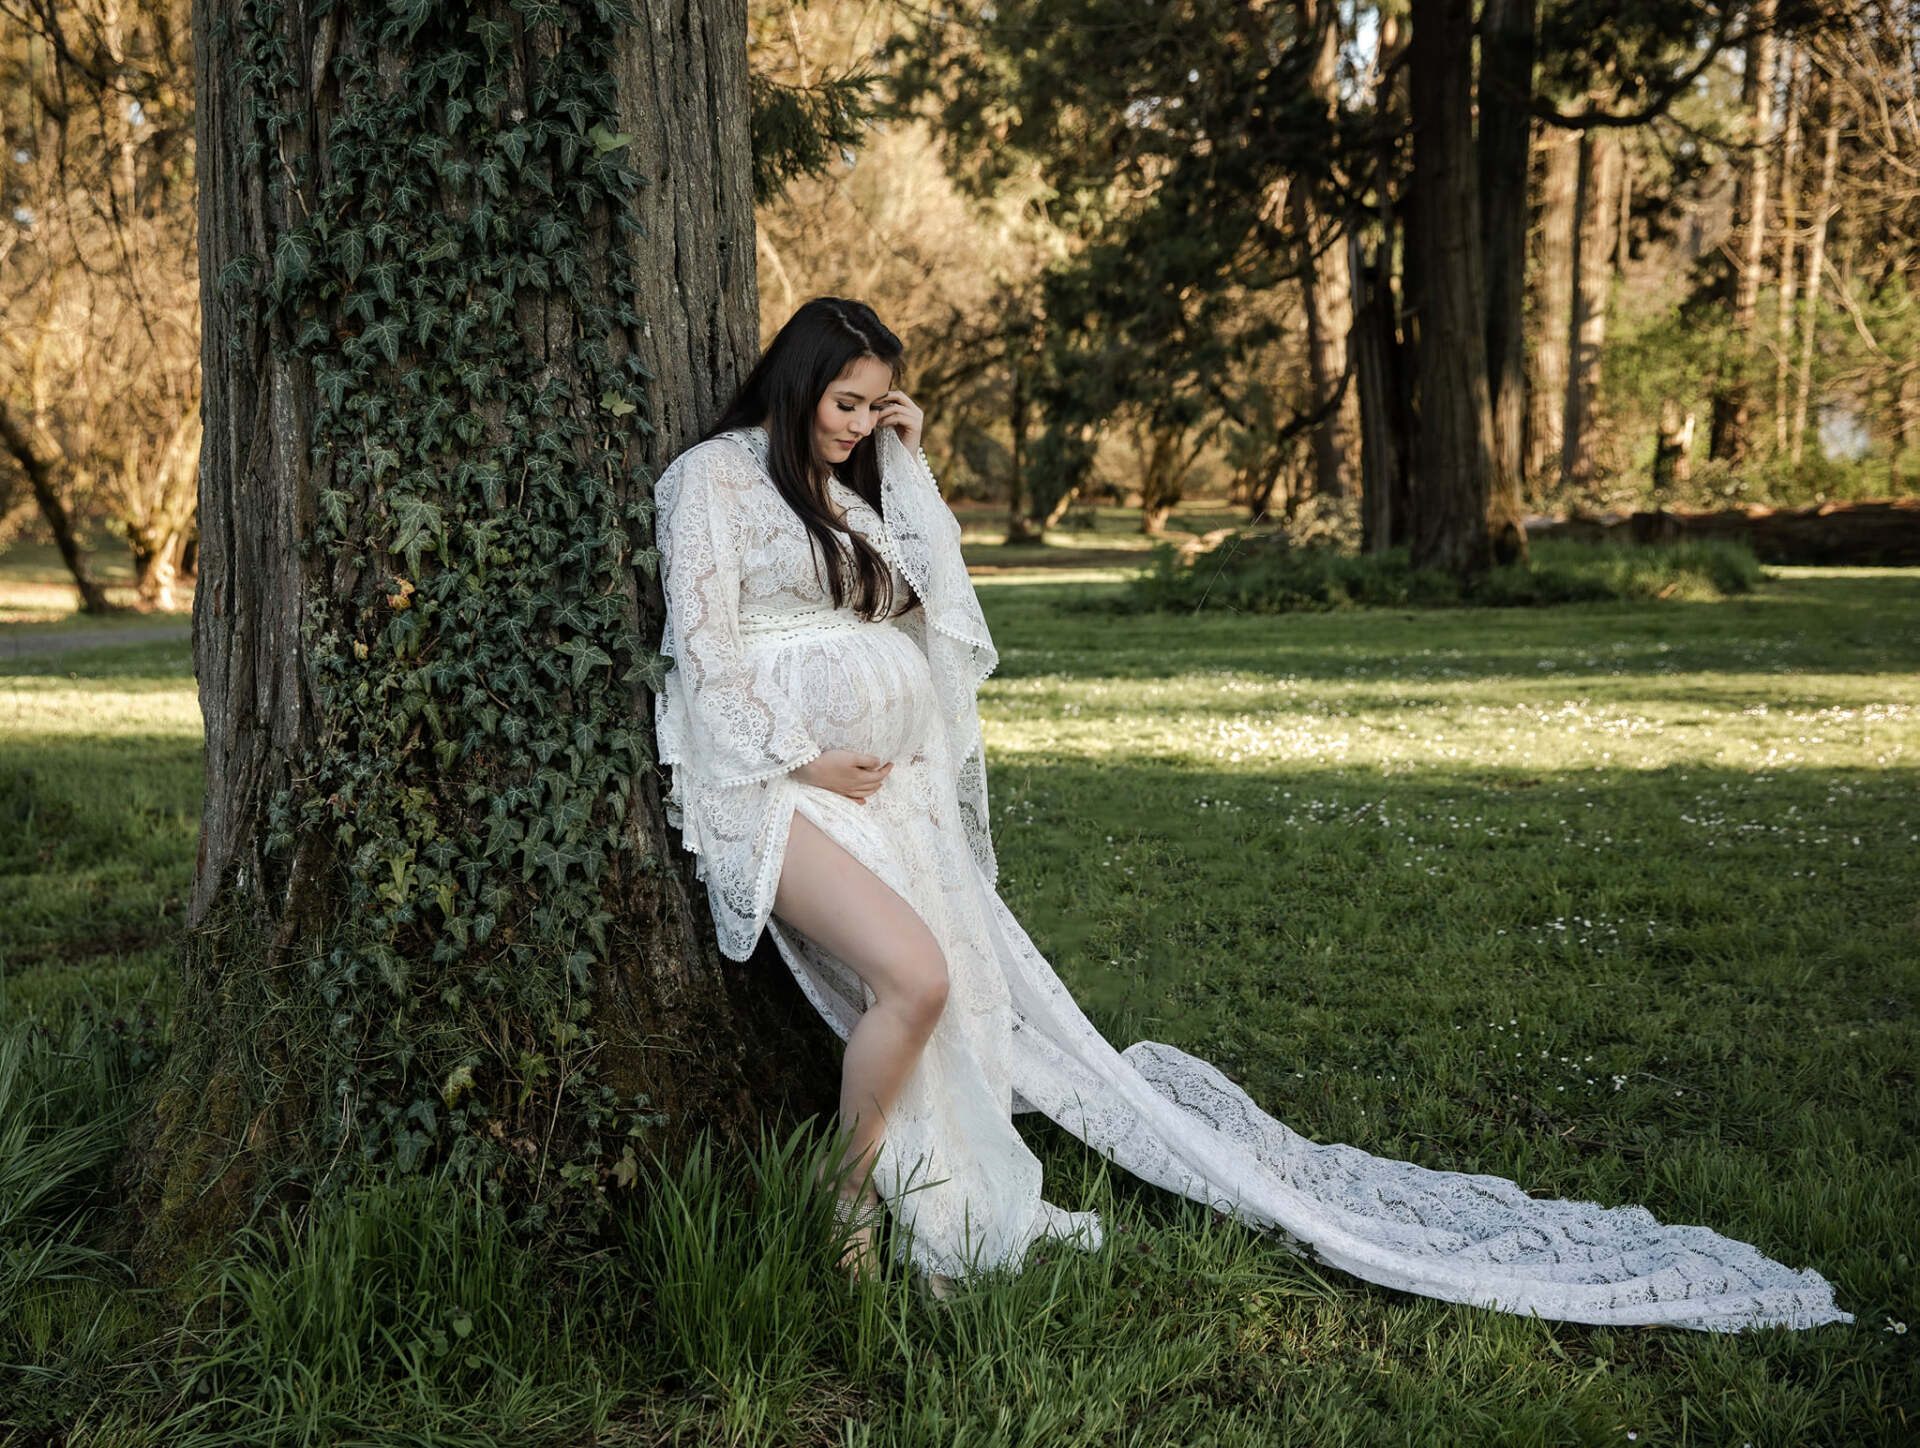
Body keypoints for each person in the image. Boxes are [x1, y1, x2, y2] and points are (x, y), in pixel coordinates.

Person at [651, 296, 1850, 1331]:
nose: (859, 423)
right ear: (801, 374)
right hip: (764, 781)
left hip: (870, 793)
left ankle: (872, 1190)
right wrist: (807, 757)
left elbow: (944, 609)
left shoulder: (851, 497)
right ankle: (848, 1210)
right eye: (848, 402)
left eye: (878, 407)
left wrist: (909, 467)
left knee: (941, 988)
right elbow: (701, 654)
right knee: (915, 978)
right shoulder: (712, 476)